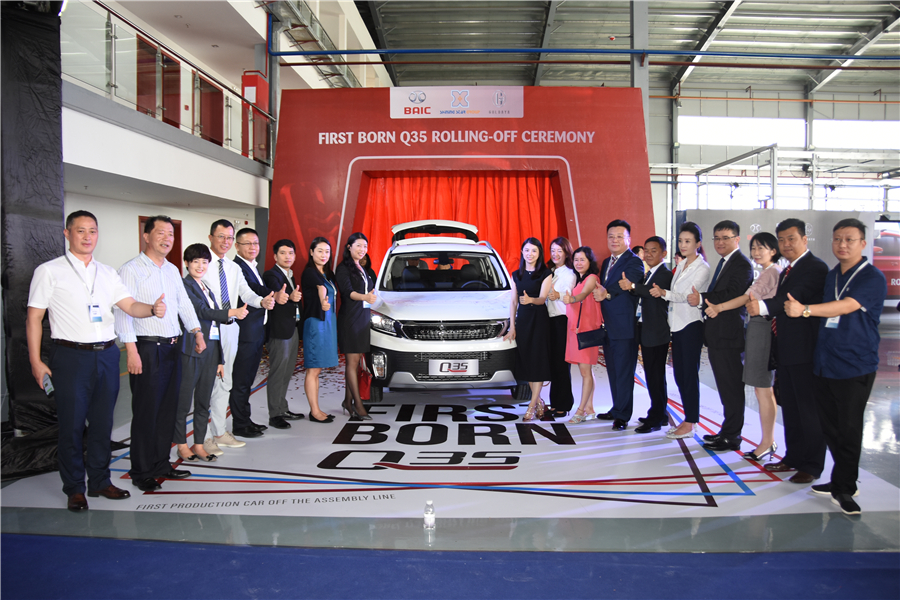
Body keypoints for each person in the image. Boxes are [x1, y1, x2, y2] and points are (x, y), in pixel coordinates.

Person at [26, 211, 166, 511]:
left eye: (92, 231)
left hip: (106, 355)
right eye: (80, 230)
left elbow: (129, 305)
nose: (87, 236)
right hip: (70, 357)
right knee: (72, 425)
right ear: (67, 234)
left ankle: (100, 481)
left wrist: (152, 309)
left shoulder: (107, 273)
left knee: (103, 424)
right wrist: (36, 361)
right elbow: (34, 318)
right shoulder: (49, 271)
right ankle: (74, 488)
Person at [784, 218, 887, 514]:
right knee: (830, 427)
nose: (842, 245)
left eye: (849, 240)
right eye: (837, 239)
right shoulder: (832, 276)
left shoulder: (872, 277)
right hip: (825, 362)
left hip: (854, 364)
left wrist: (804, 310)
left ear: (863, 244)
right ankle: (839, 478)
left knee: (849, 429)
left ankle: (846, 487)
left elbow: (847, 305)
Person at [115, 215, 205, 492]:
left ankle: (160, 464)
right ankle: (141, 470)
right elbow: (123, 312)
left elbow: (183, 303)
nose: (167, 239)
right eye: (161, 233)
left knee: (167, 409)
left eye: (171, 234)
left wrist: (196, 331)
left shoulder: (172, 269)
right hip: (146, 347)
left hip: (171, 347)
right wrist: (131, 351)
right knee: (147, 411)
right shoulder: (131, 269)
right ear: (146, 236)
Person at [747, 218, 828, 485]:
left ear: (804, 239)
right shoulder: (788, 270)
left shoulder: (815, 267)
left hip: (805, 350)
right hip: (786, 349)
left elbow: (794, 297)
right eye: (781, 240)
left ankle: (812, 465)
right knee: (791, 408)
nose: (786, 244)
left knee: (808, 409)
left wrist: (762, 306)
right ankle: (793, 457)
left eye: (791, 239)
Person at [705, 232, 781, 461]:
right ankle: (766, 441)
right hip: (756, 329)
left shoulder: (772, 272)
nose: (756, 253)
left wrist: (719, 307)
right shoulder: (767, 272)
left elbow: (746, 298)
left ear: (773, 251)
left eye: (761, 248)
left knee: (763, 389)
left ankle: (767, 442)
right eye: (754, 248)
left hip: (762, 330)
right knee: (761, 389)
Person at [203, 220, 276, 447]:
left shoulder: (233, 268)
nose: (225, 242)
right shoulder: (203, 264)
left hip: (231, 328)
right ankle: (203, 437)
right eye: (221, 237)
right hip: (209, 329)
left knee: (226, 382)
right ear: (211, 238)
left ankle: (219, 432)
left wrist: (261, 301)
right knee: (206, 384)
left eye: (228, 237)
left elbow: (245, 292)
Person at [174, 244, 248, 463]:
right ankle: (181, 445)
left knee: (203, 402)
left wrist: (219, 359)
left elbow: (214, 327)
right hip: (191, 350)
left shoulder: (205, 287)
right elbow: (203, 312)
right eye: (195, 261)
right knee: (183, 402)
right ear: (186, 263)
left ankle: (199, 444)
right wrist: (232, 312)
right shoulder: (185, 286)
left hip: (210, 352)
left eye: (204, 262)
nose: (200, 266)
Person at [218, 228, 283, 456]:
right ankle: (240, 423)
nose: (253, 247)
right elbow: (252, 291)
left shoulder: (251, 267)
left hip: (255, 332)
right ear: (237, 246)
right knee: (241, 380)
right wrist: (272, 295)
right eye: (247, 243)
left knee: (247, 379)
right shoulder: (238, 267)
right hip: (244, 333)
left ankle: (245, 419)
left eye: (255, 243)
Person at [693, 220, 753, 452]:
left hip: (729, 336)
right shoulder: (724, 262)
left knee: (732, 388)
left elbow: (732, 293)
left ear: (737, 239)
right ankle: (727, 431)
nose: (720, 242)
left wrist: (702, 298)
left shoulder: (742, 264)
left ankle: (732, 436)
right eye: (717, 238)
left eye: (725, 238)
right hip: (718, 335)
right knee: (725, 388)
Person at [650, 222, 709, 440]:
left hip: (691, 325)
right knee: (679, 375)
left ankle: (691, 421)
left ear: (698, 244)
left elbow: (686, 296)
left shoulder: (703, 268)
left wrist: (663, 293)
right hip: (676, 325)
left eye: (688, 241)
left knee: (689, 375)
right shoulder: (682, 264)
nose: (683, 245)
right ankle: (688, 419)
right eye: (681, 241)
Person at [592, 220, 644, 431]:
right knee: (613, 370)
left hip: (624, 326)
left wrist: (607, 293)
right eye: (611, 236)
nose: (615, 240)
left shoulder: (634, 262)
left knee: (623, 371)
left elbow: (625, 285)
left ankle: (623, 415)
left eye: (620, 236)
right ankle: (616, 408)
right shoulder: (607, 262)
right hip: (609, 326)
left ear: (629, 239)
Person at [621, 236, 673, 434]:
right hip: (647, 330)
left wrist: (633, 286)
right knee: (653, 375)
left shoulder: (665, 274)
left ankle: (656, 418)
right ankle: (659, 413)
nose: (649, 254)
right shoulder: (649, 273)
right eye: (646, 250)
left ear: (663, 253)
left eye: (654, 250)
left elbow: (651, 292)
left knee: (655, 376)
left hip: (657, 332)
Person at [503, 237, 553, 421]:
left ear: (539, 253)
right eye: (526, 250)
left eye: (534, 250)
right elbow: (513, 302)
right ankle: (539, 401)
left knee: (537, 362)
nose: (530, 254)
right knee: (527, 363)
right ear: (522, 252)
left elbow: (542, 299)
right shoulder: (516, 274)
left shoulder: (545, 273)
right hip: (523, 321)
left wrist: (531, 300)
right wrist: (512, 327)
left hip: (539, 321)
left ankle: (531, 406)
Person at [262, 239, 305, 430]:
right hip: (279, 331)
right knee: (278, 371)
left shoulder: (290, 275)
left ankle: (282, 407)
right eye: (283, 253)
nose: (287, 256)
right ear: (275, 256)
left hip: (291, 328)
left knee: (287, 371)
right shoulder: (272, 274)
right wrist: (289, 297)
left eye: (290, 253)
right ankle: (275, 414)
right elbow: (276, 292)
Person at [336, 233, 376, 420]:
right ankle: (358, 405)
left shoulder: (362, 267)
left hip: (363, 318)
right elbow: (347, 292)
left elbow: (369, 291)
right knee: (351, 364)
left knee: (356, 363)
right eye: (358, 245)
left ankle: (347, 400)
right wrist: (365, 297)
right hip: (350, 319)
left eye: (365, 246)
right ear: (349, 247)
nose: (362, 249)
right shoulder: (343, 268)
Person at [561, 246, 602, 424]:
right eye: (576, 260)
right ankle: (589, 408)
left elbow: (584, 295)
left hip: (586, 331)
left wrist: (572, 299)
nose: (578, 263)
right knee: (586, 371)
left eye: (582, 260)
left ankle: (580, 411)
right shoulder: (579, 279)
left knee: (585, 372)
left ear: (589, 261)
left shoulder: (592, 278)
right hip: (576, 331)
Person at [302, 237, 339, 423]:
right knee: (313, 368)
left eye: (327, 251)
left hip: (327, 323)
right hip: (316, 323)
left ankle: (316, 409)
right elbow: (321, 289)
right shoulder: (310, 272)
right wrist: (324, 303)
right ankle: (314, 411)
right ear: (311, 252)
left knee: (318, 369)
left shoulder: (328, 273)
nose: (324, 255)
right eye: (320, 251)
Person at [544, 237, 577, 418]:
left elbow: (568, 296)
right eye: (553, 250)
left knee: (562, 364)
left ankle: (564, 404)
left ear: (566, 253)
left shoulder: (569, 274)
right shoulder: (550, 271)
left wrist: (557, 294)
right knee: (553, 364)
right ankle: (555, 402)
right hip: (549, 321)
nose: (555, 254)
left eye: (559, 251)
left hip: (562, 321)